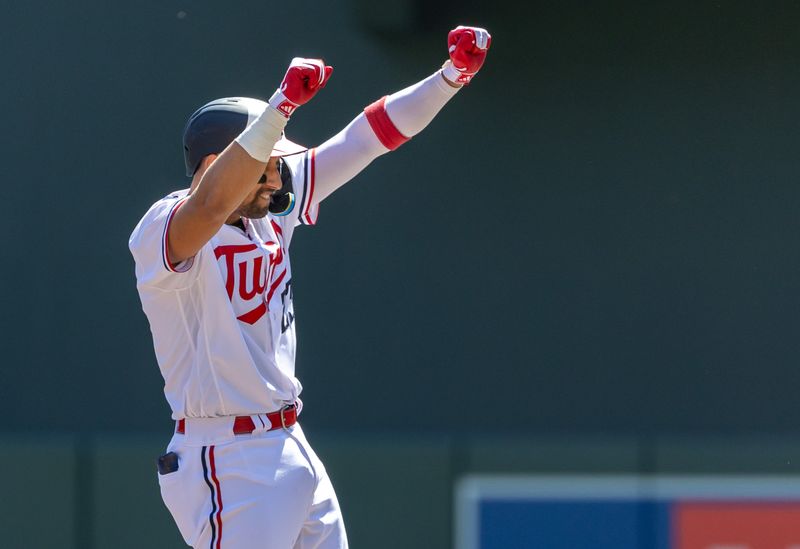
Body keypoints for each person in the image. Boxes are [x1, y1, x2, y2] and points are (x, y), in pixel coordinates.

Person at [129, 25, 491, 549]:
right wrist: (278, 108)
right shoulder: (163, 226)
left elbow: (367, 138)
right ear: (215, 164)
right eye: (266, 163)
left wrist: (449, 78)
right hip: (227, 458)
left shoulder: (270, 213)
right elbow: (207, 207)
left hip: (288, 442)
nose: (277, 176)